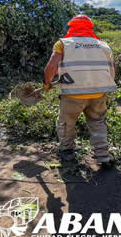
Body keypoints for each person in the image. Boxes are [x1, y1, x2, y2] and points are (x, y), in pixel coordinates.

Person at [43, 15, 117, 167]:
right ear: (90, 27)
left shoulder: (63, 43)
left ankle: (67, 152)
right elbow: (112, 68)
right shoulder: (103, 45)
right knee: (98, 123)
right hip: (99, 94)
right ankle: (102, 155)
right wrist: (104, 86)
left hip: (72, 94)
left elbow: (51, 66)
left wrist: (47, 83)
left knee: (66, 123)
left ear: (72, 27)